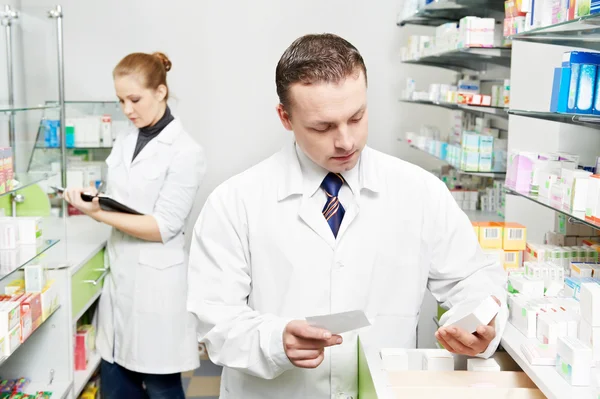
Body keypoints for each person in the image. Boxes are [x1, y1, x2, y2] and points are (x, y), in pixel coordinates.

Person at [187, 34, 507, 399]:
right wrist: (276, 340)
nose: (346, 141)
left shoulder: (419, 191)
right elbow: (215, 319)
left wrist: (478, 321)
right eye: (322, 127)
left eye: (356, 117)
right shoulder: (235, 202)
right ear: (285, 117)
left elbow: (473, 278)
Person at [65, 51, 206, 399]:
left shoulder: (186, 152)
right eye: (120, 100)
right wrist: (95, 198)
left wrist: (96, 214)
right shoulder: (126, 139)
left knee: (160, 386)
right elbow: (122, 196)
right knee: (115, 382)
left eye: (134, 99)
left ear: (160, 91)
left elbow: (162, 226)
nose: (127, 109)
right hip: (121, 278)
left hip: (158, 284)